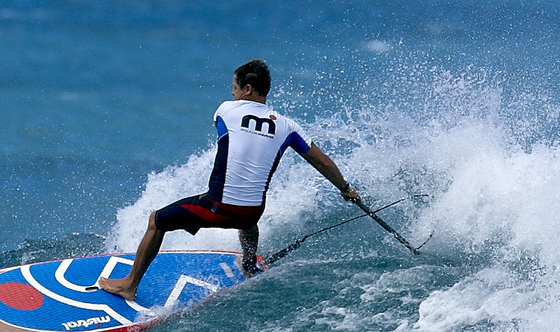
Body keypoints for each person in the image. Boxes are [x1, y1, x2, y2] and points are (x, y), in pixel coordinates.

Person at [97, 59, 363, 302]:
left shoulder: (226, 110)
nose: (232, 93)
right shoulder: (288, 127)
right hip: (251, 214)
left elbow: (235, 135)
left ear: (248, 89)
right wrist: (345, 189)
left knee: (157, 220)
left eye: (235, 87)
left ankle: (129, 285)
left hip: (217, 207)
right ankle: (249, 264)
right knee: (248, 216)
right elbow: (322, 162)